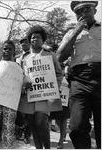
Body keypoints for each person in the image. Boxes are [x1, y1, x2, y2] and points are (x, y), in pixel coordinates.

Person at [56, 1, 101, 149]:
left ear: (94, 10)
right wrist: (76, 32)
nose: (83, 13)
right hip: (79, 80)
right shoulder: (71, 33)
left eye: (87, 9)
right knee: (76, 127)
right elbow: (59, 57)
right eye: (79, 11)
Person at [0, 40, 31, 149]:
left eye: (9, 49)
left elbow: (23, 84)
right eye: (5, 48)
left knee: (8, 129)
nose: (7, 51)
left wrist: (25, 86)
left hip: (10, 102)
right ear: (2, 50)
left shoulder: (19, 68)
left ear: (14, 51)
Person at [21, 25, 63, 149]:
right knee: (32, 123)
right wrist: (24, 83)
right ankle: (39, 148)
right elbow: (21, 75)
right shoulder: (24, 58)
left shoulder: (50, 55)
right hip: (29, 95)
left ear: (43, 40)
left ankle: (47, 147)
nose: (35, 40)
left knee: (41, 121)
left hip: (45, 95)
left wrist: (53, 89)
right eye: (33, 37)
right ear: (30, 40)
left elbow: (59, 74)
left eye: (38, 37)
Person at [15, 36, 32, 144]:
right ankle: (19, 132)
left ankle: (27, 135)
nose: (23, 44)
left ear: (29, 43)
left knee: (28, 113)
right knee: (19, 112)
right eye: (21, 42)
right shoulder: (17, 57)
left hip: (30, 87)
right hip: (17, 88)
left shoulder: (33, 55)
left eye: (25, 42)